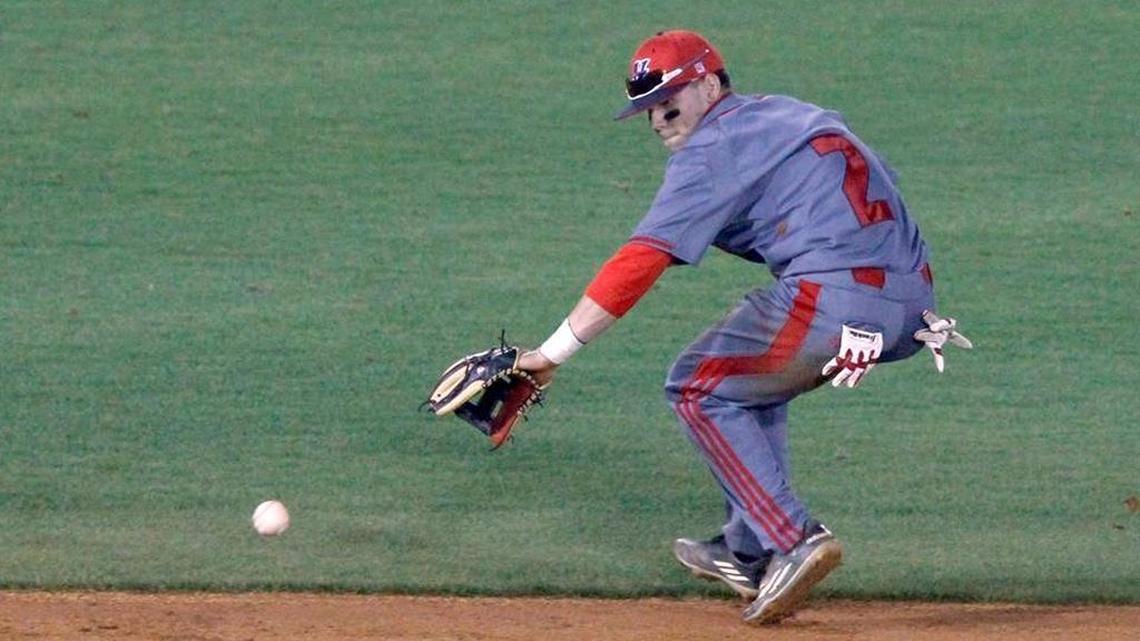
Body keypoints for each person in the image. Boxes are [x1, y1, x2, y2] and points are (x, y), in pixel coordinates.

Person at [515, 29, 970, 625]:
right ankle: (746, 547)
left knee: (697, 385)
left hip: (834, 300)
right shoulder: (786, 114)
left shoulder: (714, 149)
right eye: (648, 109)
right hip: (913, 307)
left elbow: (641, 261)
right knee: (748, 385)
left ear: (708, 85)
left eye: (669, 102)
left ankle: (792, 539)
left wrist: (550, 354)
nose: (658, 120)